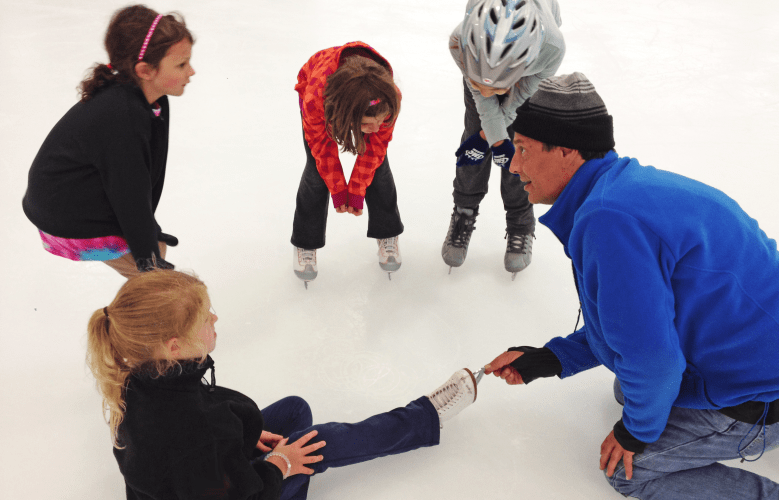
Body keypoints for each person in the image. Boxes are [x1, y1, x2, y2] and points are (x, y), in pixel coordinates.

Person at [484, 72, 779, 499]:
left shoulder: (608, 222)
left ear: (565, 151)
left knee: (629, 470)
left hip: (766, 394)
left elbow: (652, 359)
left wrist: (635, 435)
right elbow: (631, 325)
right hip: (778, 343)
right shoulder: (627, 191)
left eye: (522, 148)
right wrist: (553, 358)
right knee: (629, 386)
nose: (514, 164)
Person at [87, 269, 479, 499]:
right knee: (316, 441)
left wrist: (242, 441)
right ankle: (425, 418)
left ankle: (291, 457)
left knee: (294, 410)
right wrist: (279, 467)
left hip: (199, 471)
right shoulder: (194, 430)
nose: (216, 320)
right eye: (205, 319)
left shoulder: (139, 377)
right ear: (175, 346)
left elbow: (193, 450)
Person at [22, 5, 195, 279]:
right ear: (145, 70)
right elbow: (130, 192)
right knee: (162, 287)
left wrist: (149, 233)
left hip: (84, 201)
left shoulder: (154, 98)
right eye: (181, 64)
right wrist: (146, 260)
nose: (192, 71)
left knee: (155, 250)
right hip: (65, 218)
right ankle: (135, 317)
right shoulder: (121, 117)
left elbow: (145, 178)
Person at [442, 0, 565, 278]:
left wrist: (498, 140)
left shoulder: (550, 50)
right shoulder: (460, 41)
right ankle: (464, 209)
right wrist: (490, 136)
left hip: (527, 76)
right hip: (492, 64)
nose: (487, 92)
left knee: (521, 147)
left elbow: (517, 100)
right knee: (476, 138)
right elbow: (482, 101)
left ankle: (521, 221)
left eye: (495, 87)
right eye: (478, 83)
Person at [292, 42, 404, 285]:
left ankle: (387, 234)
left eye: (381, 121)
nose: (375, 130)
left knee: (379, 168)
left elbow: (375, 149)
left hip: (357, 102)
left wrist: (356, 192)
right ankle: (305, 243)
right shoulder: (316, 100)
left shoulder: (390, 98)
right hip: (318, 89)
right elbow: (323, 149)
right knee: (316, 171)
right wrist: (339, 191)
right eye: (366, 125)